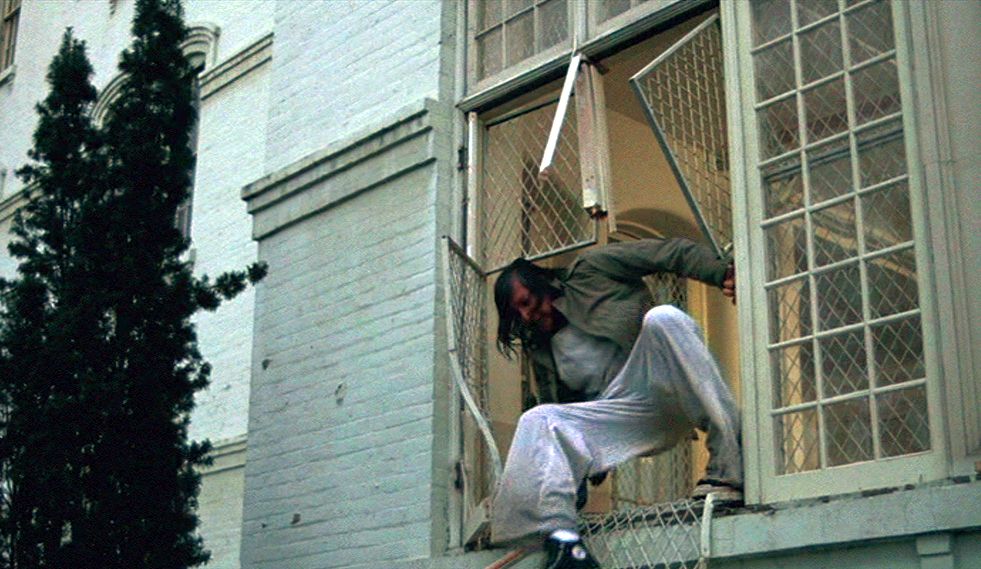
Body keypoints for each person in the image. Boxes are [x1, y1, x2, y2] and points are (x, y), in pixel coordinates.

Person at [489, 238, 742, 569]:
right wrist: (575, 478)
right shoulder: (541, 349)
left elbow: (668, 253)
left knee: (663, 318)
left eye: (526, 302)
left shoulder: (591, 270)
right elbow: (562, 416)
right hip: (629, 415)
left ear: (542, 284)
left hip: (663, 379)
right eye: (517, 313)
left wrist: (720, 272)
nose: (527, 315)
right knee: (538, 419)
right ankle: (562, 541)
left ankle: (727, 471)